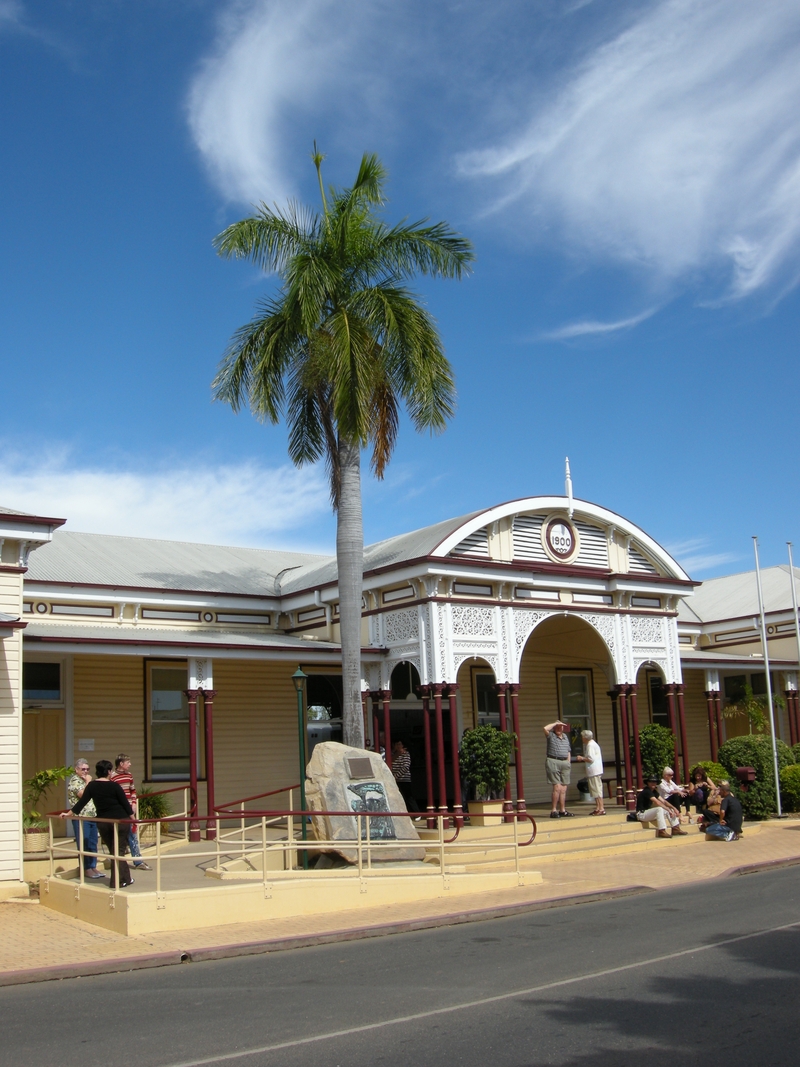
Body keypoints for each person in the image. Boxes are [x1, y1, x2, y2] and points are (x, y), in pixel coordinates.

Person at [60, 759, 135, 888]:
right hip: (120, 821)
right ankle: (116, 881)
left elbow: (81, 802)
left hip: (103, 822)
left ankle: (126, 878)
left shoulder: (92, 786)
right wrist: (134, 820)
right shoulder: (114, 785)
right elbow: (125, 805)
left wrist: (69, 814)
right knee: (119, 851)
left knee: (114, 851)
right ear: (109, 772)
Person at [111, 753, 152, 870]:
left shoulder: (129, 775)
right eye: (128, 762)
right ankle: (117, 859)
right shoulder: (113, 777)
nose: (130, 764)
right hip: (119, 810)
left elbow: (133, 790)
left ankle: (138, 861)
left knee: (132, 834)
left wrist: (134, 803)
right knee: (119, 835)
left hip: (130, 810)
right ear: (121, 764)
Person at [66, 760, 104, 879]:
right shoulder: (75, 781)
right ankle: (86, 868)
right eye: (83, 769)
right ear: (76, 770)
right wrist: (88, 781)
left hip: (92, 816)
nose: (86, 772)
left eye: (87, 769)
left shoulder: (86, 781)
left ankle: (93, 866)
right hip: (81, 817)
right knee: (84, 842)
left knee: (93, 842)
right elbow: (83, 795)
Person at [544, 720, 574, 818]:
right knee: (557, 787)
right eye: (557, 727)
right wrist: (555, 723)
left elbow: (568, 750)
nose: (559, 729)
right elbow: (545, 728)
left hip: (564, 762)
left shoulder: (565, 737)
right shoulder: (551, 735)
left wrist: (568, 762)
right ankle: (553, 810)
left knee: (563, 788)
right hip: (553, 760)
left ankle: (562, 810)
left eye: (561, 727)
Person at [576, 729, 605, 815]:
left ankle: (601, 808)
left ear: (585, 737)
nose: (582, 739)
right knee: (594, 790)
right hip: (594, 771)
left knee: (597, 790)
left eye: (582, 737)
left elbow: (590, 759)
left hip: (594, 771)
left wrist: (581, 758)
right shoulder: (592, 744)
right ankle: (598, 807)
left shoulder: (590, 745)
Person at [391, 740, 419, 812]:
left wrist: (395, 776)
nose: (398, 746)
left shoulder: (406, 754)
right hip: (395, 780)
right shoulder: (392, 754)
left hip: (404, 779)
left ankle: (416, 812)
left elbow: (405, 767)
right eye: (396, 744)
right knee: (398, 797)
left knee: (408, 797)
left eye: (399, 744)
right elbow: (389, 761)